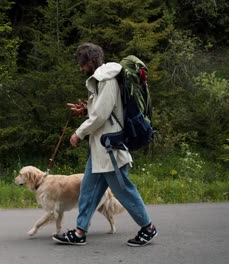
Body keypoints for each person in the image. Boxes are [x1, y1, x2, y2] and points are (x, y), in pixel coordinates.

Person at [52, 43, 157, 247]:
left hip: (110, 149)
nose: (80, 68)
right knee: (88, 190)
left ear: (90, 61)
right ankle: (80, 231)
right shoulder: (101, 80)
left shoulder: (107, 79)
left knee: (123, 189)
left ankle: (148, 228)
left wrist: (78, 133)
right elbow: (102, 109)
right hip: (100, 149)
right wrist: (85, 110)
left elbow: (101, 115)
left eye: (81, 64)